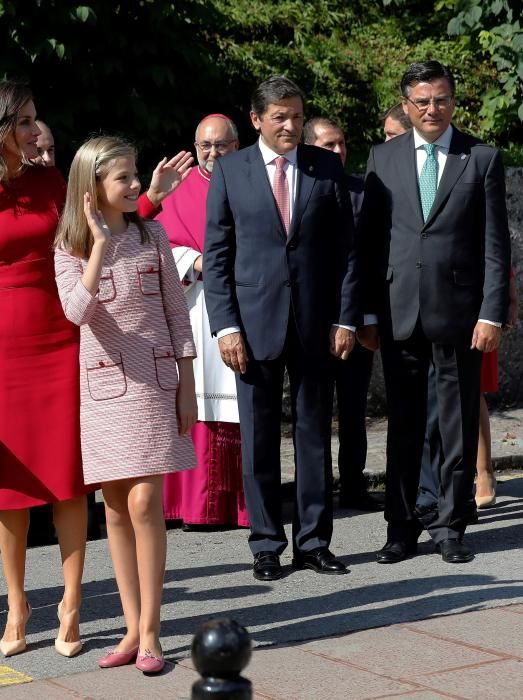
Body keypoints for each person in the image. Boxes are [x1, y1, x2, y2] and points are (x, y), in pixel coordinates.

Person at [0, 80, 91, 659]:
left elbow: (93, 239)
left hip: (64, 336)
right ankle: (16, 602)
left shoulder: (51, 180)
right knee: (10, 483)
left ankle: (72, 601)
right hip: (2, 348)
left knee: (69, 475)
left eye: (34, 119)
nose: (35, 130)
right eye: (24, 122)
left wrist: (147, 198)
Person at [202, 76, 360, 582]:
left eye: (296, 115)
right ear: (256, 120)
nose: (291, 125)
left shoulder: (325, 166)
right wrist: (225, 327)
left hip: (316, 324)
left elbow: (348, 252)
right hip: (252, 325)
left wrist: (344, 317)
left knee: (314, 436)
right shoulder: (230, 171)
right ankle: (266, 543)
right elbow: (218, 256)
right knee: (259, 439)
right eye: (280, 117)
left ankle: (313, 542)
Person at [359, 61, 511, 565]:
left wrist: (492, 313)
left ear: (453, 102)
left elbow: (495, 245)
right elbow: (371, 242)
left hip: (461, 315)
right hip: (398, 310)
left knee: (456, 425)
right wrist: (366, 314)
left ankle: (450, 524)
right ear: (406, 104)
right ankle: (400, 527)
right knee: (402, 425)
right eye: (421, 101)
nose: (432, 109)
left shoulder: (481, 158)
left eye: (441, 99)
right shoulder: (383, 157)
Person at [55, 136, 197, 674]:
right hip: (104, 389)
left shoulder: (151, 233)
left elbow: (176, 313)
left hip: (157, 383)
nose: (136, 185)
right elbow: (76, 312)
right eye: (124, 178)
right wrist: (97, 245)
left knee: (143, 504)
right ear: (92, 187)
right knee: (114, 507)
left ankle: (154, 632)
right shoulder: (68, 245)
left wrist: (187, 381)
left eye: (136, 175)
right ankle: (131, 627)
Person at [158, 114, 249, 529]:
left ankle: (245, 506)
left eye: (221, 145)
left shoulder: (254, 182)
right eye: (205, 146)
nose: (212, 154)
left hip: (247, 308)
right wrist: (193, 261)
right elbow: (157, 246)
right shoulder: (178, 191)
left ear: (237, 145)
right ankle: (197, 506)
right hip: (196, 308)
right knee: (201, 400)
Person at [302, 117, 381, 511]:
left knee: (354, 409)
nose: (338, 151)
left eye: (342, 143)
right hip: (309, 323)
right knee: (313, 414)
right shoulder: (297, 191)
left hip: (354, 320)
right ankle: (314, 491)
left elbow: (368, 262)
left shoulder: (361, 192)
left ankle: (353, 484)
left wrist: (363, 318)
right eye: (328, 145)